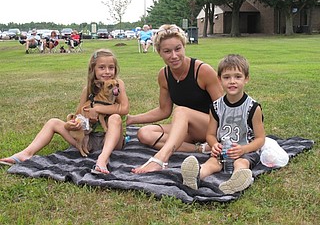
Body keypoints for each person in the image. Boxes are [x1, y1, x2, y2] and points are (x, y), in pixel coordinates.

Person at [0, 49, 129, 175]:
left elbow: (124, 109)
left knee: (115, 118)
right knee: (53, 122)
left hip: (111, 140)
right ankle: (26, 153)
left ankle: (102, 158)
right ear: (93, 70)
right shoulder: (88, 90)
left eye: (111, 68)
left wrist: (97, 109)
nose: (107, 72)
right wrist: (71, 125)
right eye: (102, 67)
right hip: (88, 140)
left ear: (115, 70)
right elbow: (78, 115)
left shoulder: (118, 84)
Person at [126, 24, 223, 173]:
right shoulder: (164, 75)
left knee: (182, 111)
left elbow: (223, 109)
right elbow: (164, 111)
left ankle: (160, 159)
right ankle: (200, 149)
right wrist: (132, 119)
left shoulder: (202, 70)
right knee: (144, 133)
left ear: (184, 47)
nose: (174, 56)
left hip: (211, 127)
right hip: (187, 129)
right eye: (167, 51)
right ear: (159, 52)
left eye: (178, 49)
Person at [180, 54, 265, 194]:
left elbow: (260, 139)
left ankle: (238, 180)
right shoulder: (215, 107)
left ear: (246, 79)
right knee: (212, 163)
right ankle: (195, 177)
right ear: (219, 80)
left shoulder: (253, 107)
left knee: (241, 162)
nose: (232, 81)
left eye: (238, 77)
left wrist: (243, 150)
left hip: (246, 150)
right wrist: (214, 145)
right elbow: (210, 134)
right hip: (223, 151)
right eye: (227, 77)